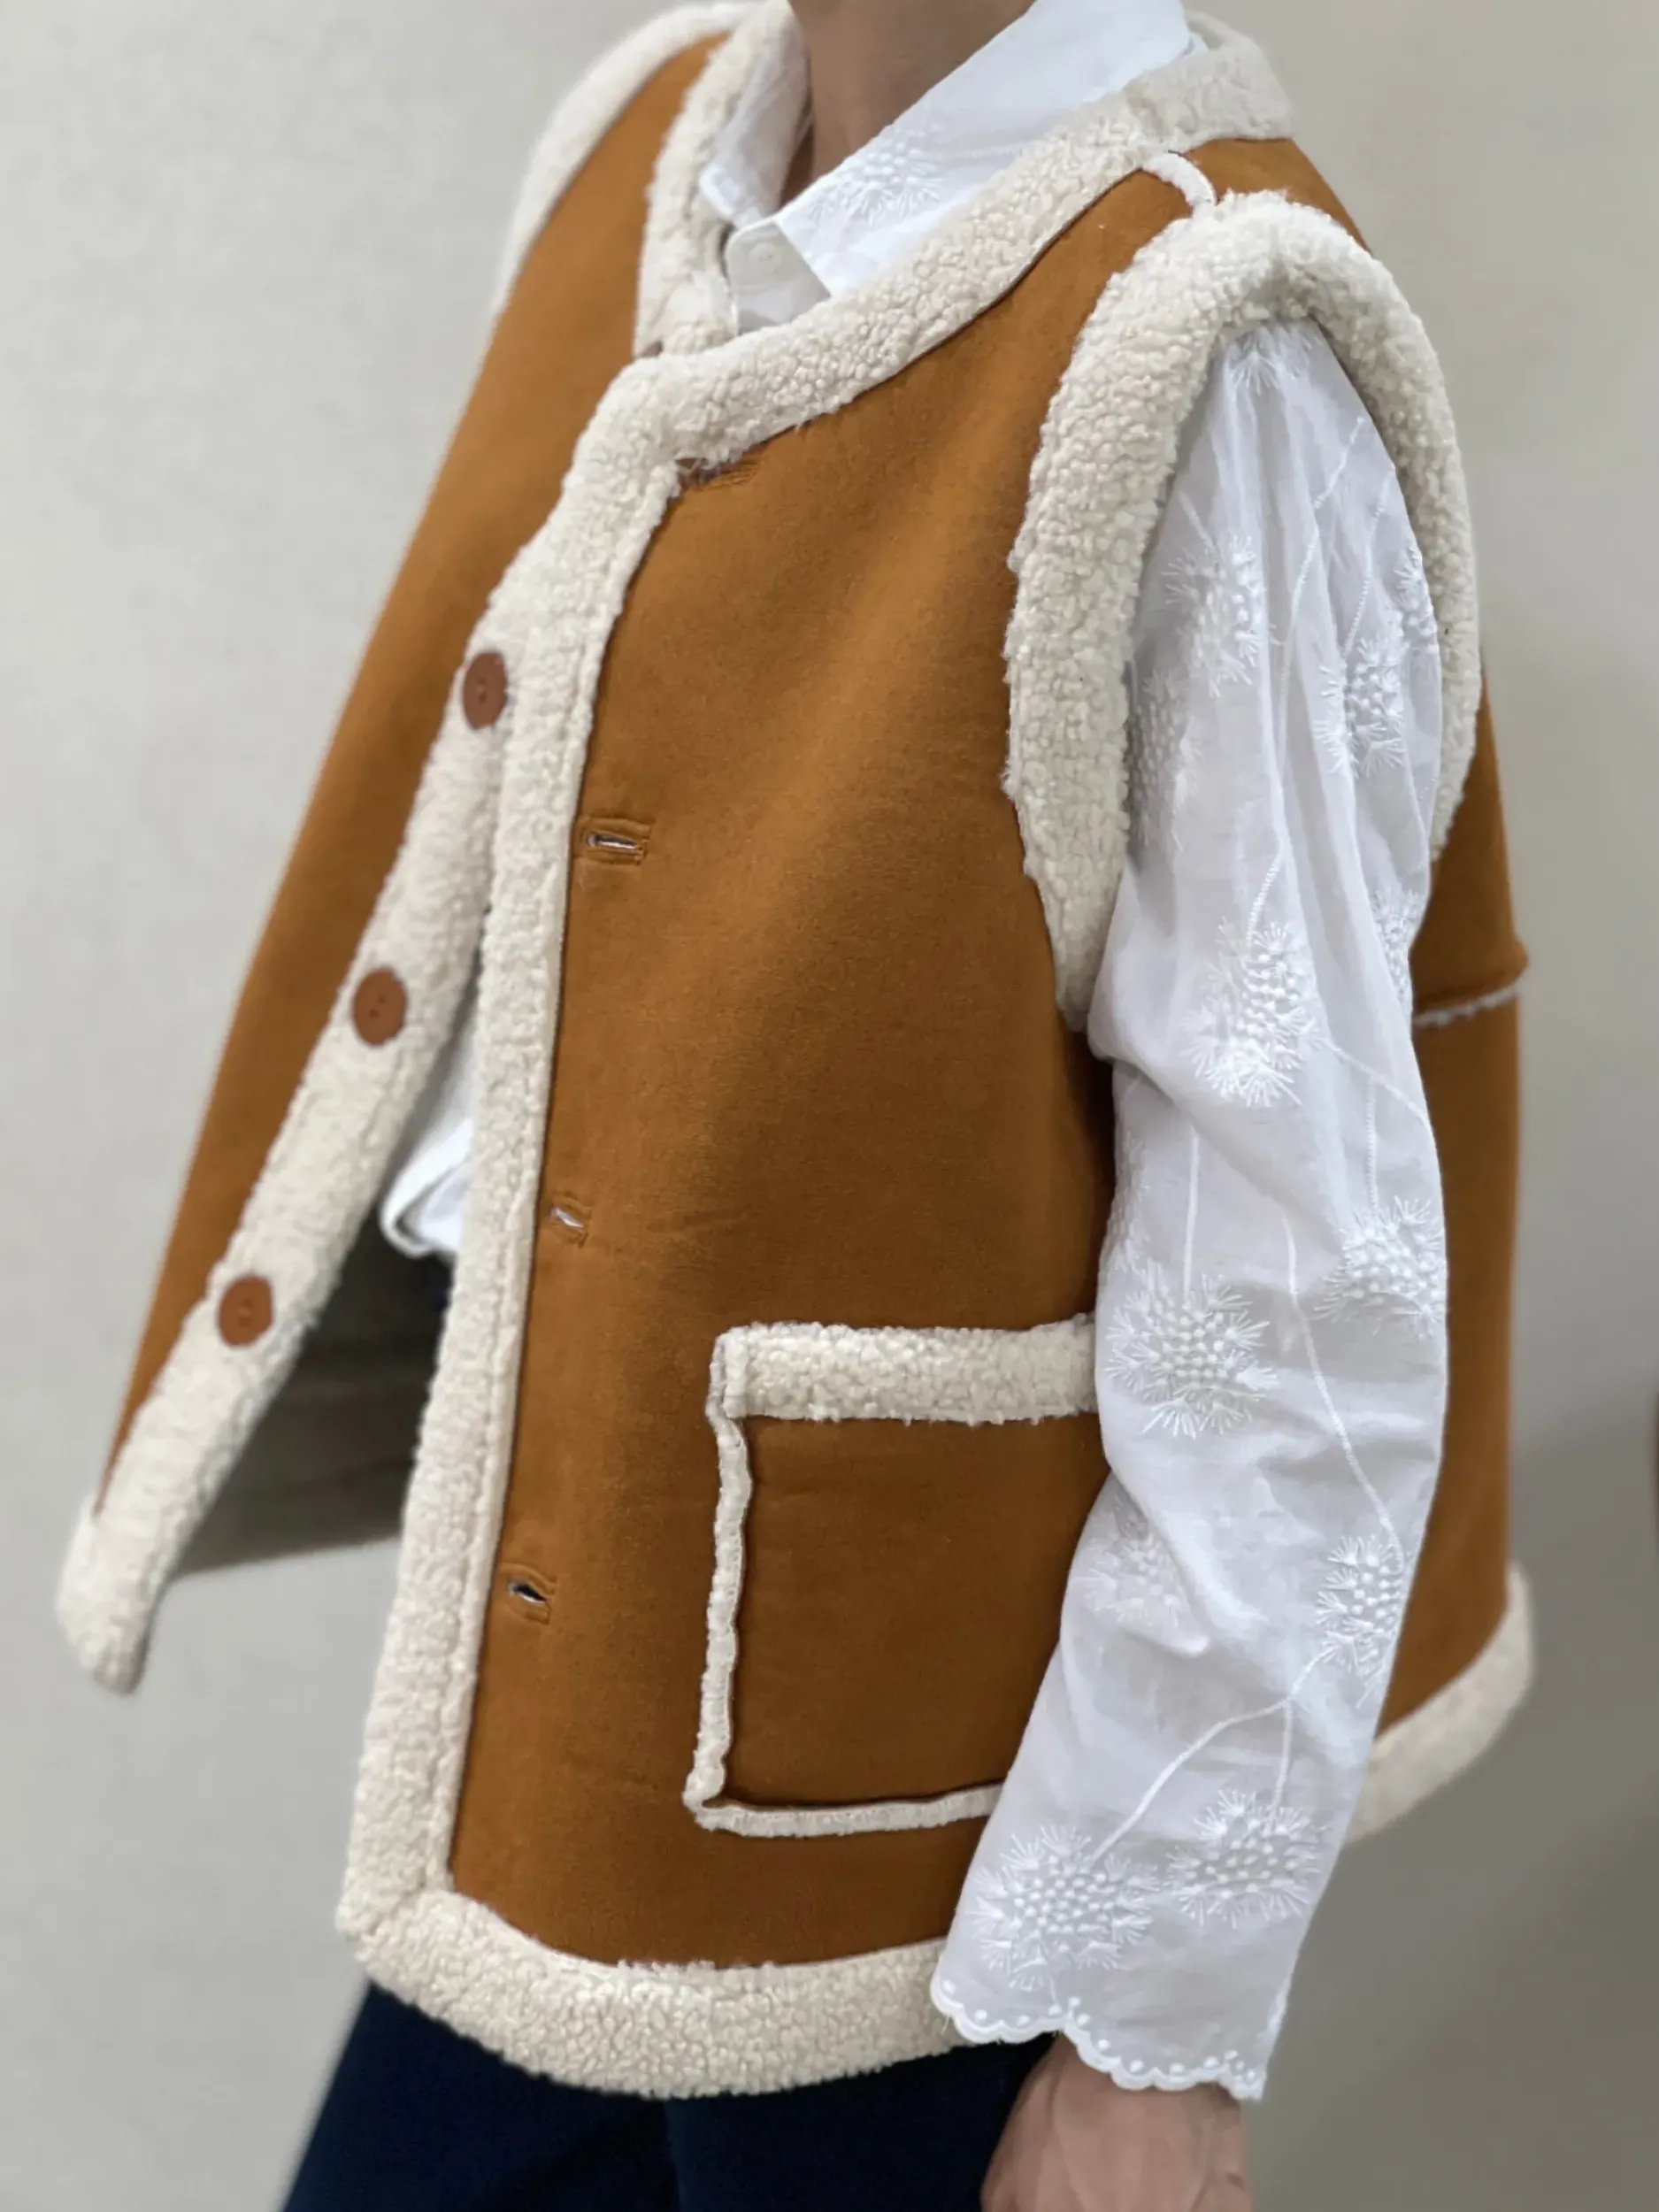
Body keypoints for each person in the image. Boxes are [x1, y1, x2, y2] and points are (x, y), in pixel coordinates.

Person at [57, 2, 1530, 2206]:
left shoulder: (1205, 333)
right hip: (563, 1762)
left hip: (933, 1889)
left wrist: (1144, 2035)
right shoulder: (650, 148)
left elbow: (1297, 1292)